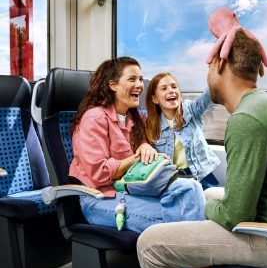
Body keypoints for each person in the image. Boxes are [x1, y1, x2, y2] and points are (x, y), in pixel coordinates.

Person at [136, 29, 267, 268]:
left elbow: (236, 215)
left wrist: (207, 205)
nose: (207, 75)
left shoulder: (245, 119)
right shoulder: (260, 104)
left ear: (221, 65)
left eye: (208, 67)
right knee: (211, 192)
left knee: (150, 245)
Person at [69, 56, 206, 234]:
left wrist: (145, 146)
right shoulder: (94, 118)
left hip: (133, 188)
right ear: (113, 85)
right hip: (101, 198)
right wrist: (136, 157)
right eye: (132, 79)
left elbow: (155, 132)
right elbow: (98, 173)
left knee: (192, 187)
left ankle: (193, 256)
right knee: (180, 212)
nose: (140, 85)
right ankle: (197, 261)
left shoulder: (135, 119)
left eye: (141, 79)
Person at [145, 72, 221, 189]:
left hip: (200, 175)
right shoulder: (151, 123)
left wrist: (218, 72)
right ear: (155, 99)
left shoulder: (190, 110)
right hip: (173, 178)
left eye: (174, 87)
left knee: (218, 201)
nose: (171, 90)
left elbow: (208, 96)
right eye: (164, 88)